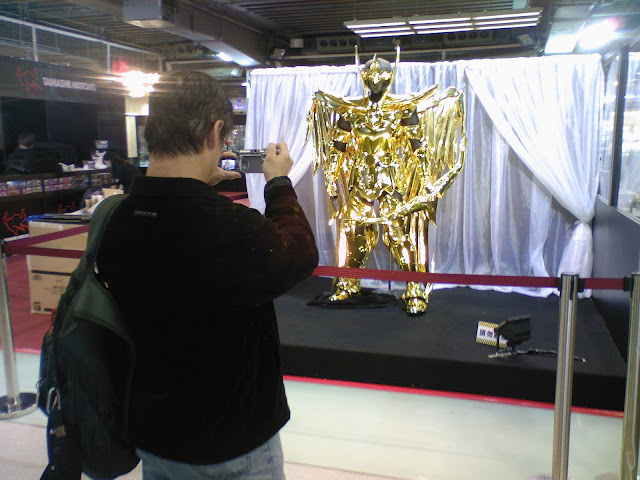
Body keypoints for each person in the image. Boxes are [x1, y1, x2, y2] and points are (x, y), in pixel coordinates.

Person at [96, 70, 319, 479]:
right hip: (232, 441)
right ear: (215, 132)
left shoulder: (116, 219)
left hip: (154, 434)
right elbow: (300, 253)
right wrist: (279, 182)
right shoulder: (230, 227)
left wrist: (198, 184)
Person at [307, 47, 466, 314]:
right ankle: (348, 284)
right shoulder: (351, 111)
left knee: (399, 234)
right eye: (369, 77)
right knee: (354, 233)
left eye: (379, 77)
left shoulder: (401, 110)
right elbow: (338, 146)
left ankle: (415, 290)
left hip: (391, 181)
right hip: (360, 180)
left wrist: (427, 180)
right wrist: (332, 177)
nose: (374, 81)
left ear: (389, 78)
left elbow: (417, 147)